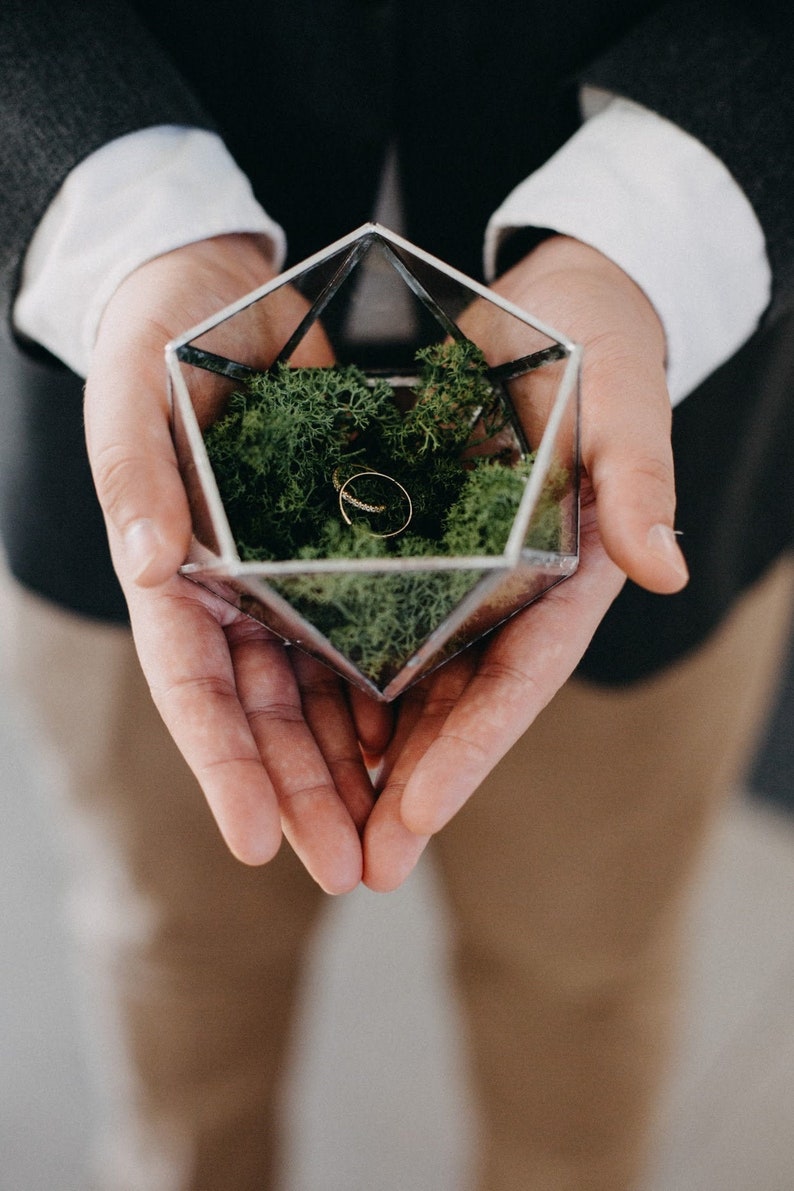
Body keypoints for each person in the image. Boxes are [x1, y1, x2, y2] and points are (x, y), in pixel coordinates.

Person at [1, 1, 793, 1187]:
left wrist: (642, 234)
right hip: (161, 477)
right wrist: (126, 223)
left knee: (583, 983)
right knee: (174, 955)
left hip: (639, 440)